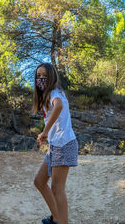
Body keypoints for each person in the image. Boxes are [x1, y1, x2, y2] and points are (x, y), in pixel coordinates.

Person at [32, 63, 78, 224]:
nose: (41, 79)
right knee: (39, 181)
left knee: (57, 188)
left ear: (51, 77)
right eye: (38, 76)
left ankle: (61, 221)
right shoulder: (49, 94)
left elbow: (59, 106)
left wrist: (44, 131)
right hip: (56, 145)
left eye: (44, 75)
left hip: (63, 144)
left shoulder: (54, 93)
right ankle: (56, 218)